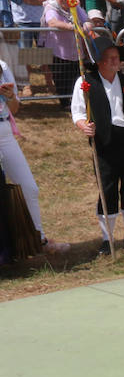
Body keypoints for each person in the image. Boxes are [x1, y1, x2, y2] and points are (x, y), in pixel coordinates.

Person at [70, 36, 124, 254]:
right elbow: (78, 113)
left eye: (116, 58)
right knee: (107, 190)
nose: (114, 62)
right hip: (105, 142)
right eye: (109, 58)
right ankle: (106, 239)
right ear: (98, 61)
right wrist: (84, 126)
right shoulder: (85, 82)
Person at [0, 57, 67, 253]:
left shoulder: (2, 66)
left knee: (29, 188)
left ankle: (39, 240)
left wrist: (10, 96)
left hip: (5, 131)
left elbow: (14, 109)